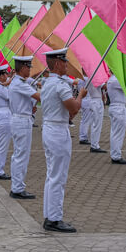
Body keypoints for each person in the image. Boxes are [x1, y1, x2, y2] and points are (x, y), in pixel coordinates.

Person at [40, 48, 85, 232]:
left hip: (52, 127)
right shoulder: (60, 85)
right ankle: (55, 218)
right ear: (58, 64)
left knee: (52, 175)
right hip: (57, 131)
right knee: (58, 177)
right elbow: (73, 107)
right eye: (65, 62)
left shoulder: (48, 83)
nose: (67, 65)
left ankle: (49, 215)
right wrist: (81, 95)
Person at [8, 56, 40, 200]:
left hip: (21, 119)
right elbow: (39, 96)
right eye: (28, 67)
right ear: (22, 68)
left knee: (20, 155)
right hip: (21, 120)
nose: (30, 70)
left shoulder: (19, 82)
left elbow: (30, 99)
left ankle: (17, 186)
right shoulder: (20, 83)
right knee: (21, 156)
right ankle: (17, 188)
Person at [105, 72, 126, 164]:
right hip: (118, 107)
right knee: (117, 133)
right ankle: (116, 156)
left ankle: (115, 154)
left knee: (116, 132)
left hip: (116, 106)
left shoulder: (113, 79)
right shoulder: (115, 80)